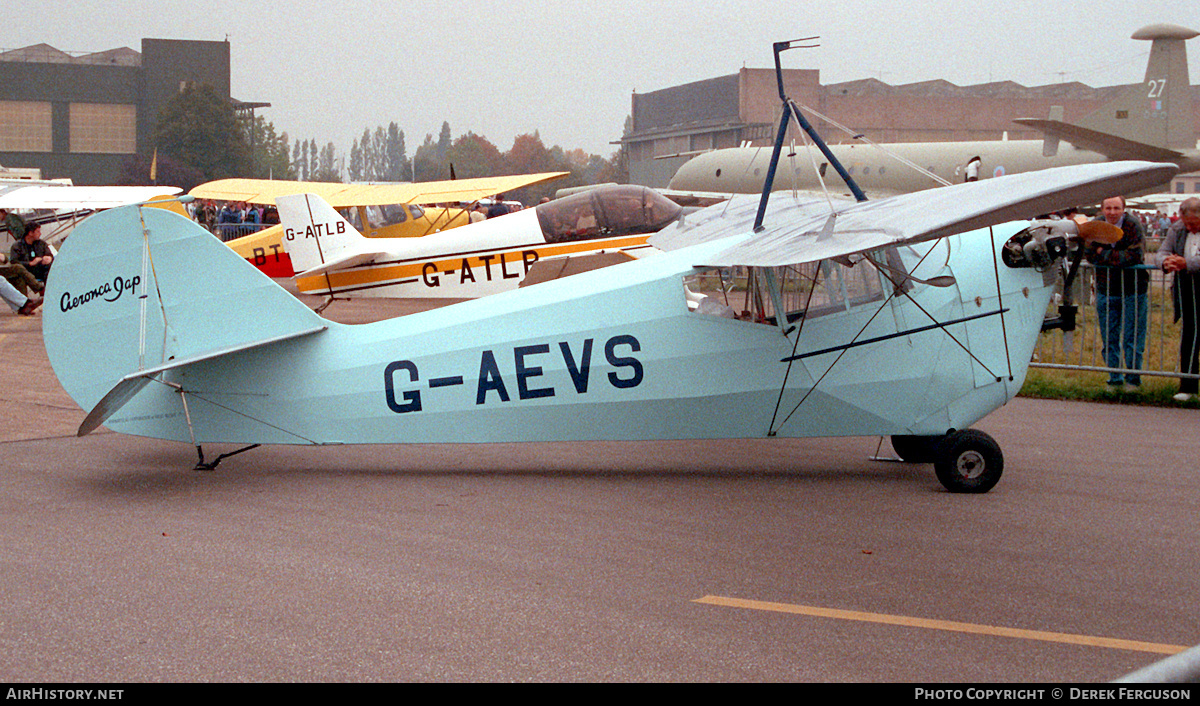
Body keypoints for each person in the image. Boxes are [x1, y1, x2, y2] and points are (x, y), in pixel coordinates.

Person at [1086, 195, 1149, 388]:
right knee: (1109, 337)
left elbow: (1134, 256)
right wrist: (1111, 257)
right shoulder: (1095, 225)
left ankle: (1133, 380)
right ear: (1102, 209)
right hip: (1106, 289)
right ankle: (1114, 379)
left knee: (1132, 337)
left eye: (1116, 208)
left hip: (1133, 289)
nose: (1112, 212)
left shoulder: (1132, 225)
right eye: (1108, 208)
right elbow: (1088, 253)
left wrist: (1102, 254)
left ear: (1123, 209)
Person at [1157, 197, 1200, 402]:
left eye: (1195, 224)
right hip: (1186, 291)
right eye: (1187, 223)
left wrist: (1187, 263)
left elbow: (1190, 262)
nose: (1190, 227)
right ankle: (1187, 386)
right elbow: (1162, 251)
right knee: (1189, 337)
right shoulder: (1177, 228)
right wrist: (1167, 261)